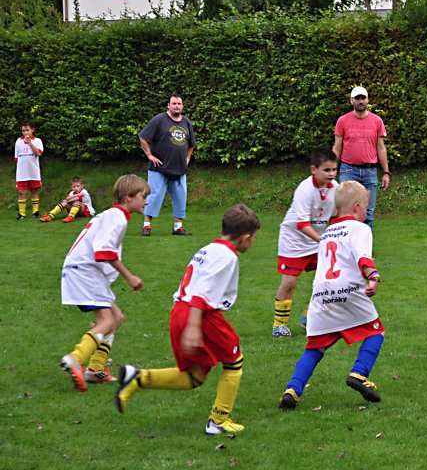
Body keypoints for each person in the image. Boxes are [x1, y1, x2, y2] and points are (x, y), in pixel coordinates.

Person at [116, 205, 260, 435]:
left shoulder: (208, 249)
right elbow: (202, 293)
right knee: (234, 361)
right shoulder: (227, 256)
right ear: (245, 238)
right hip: (200, 314)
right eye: (253, 239)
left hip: (180, 311)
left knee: (195, 376)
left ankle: (138, 378)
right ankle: (218, 421)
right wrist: (193, 327)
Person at [279, 181, 386, 409]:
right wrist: (374, 277)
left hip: (321, 295)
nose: (367, 211)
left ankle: (292, 389)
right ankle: (359, 374)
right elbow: (363, 257)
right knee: (376, 332)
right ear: (357, 207)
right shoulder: (360, 228)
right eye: (366, 207)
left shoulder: (327, 233)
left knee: (314, 348)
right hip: (348, 291)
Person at [59, 174, 149, 391]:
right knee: (107, 321)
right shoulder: (117, 217)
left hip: (83, 271)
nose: (146, 202)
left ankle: (95, 368)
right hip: (85, 272)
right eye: (143, 197)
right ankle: (75, 358)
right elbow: (104, 252)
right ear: (128, 197)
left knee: (117, 318)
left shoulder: (112, 215)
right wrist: (129, 276)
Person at [272, 149, 339, 338]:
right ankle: (279, 326)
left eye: (334, 170)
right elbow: (301, 224)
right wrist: (324, 240)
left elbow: (334, 217)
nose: (331, 174)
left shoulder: (335, 188)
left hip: (318, 240)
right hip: (294, 240)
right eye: (327, 170)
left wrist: (334, 236)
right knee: (290, 282)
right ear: (313, 169)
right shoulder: (305, 189)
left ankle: (309, 317)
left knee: (329, 278)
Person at [332, 86, 391, 230]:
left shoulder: (376, 121)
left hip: (369, 172)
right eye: (357, 98)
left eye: (363, 98)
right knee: (345, 211)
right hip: (348, 170)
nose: (360, 101)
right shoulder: (342, 121)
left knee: (368, 214)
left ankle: (365, 243)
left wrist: (386, 172)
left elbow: (381, 148)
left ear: (367, 100)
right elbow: (337, 147)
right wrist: (332, 169)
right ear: (351, 101)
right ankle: (344, 241)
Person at [139, 93, 196, 236]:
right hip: (159, 168)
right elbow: (143, 137)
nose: (177, 106)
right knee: (153, 196)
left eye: (179, 104)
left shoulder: (186, 122)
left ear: (182, 106)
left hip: (179, 169)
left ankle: (178, 227)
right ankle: (146, 226)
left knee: (180, 198)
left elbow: (191, 144)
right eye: (174, 104)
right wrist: (149, 155)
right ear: (168, 105)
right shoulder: (159, 120)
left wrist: (187, 158)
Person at [14, 120, 44, 220]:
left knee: (34, 191)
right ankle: (22, 214)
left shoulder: (37, 141)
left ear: (32, 130)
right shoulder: (18, 141)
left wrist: (30, 143)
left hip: (33, 172)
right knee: (21, 192)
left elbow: (38, 153)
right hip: (22, 172)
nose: (25, 133)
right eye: (23, 131)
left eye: (27, 130)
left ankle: (35, 212)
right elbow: (16, 158)